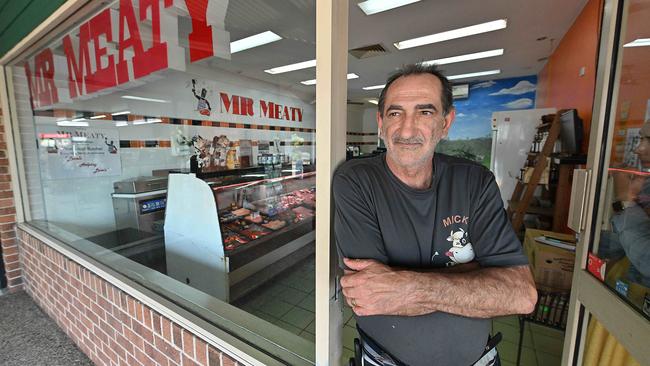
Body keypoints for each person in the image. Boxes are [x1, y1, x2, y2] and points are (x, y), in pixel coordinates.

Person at [333, 63, 538, 366]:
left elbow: (521, 295)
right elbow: (369, 295)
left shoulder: (474, 181)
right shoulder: (355, 180)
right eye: (395, 112)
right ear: (380, 122)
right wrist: (479, 273)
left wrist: (405, 286)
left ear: (446, 122)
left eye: (425, 112)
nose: (407, 129)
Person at [600, 122, 650, 294]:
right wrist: (586, 239)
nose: (638, 149)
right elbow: (621, 240)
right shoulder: (647, 185)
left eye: (645, 140)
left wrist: (626, 200)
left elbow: (647, 261)